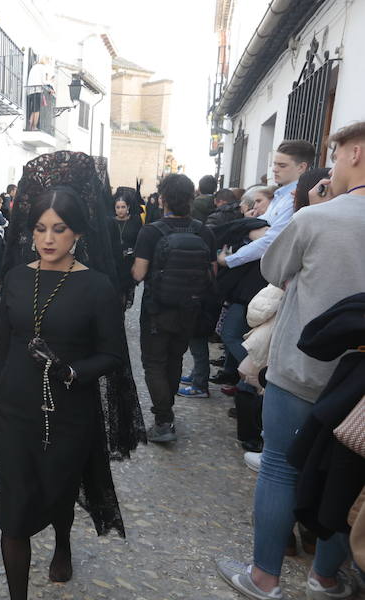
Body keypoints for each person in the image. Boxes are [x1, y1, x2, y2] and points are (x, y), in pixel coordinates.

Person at [0, 150, 144, 600]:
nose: (48, 239)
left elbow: (112, 356)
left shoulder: (97, 286)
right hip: (14, 409)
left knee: (59, 491)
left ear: (78, 232)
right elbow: (1, 348)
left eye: (59, 229)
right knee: (13, 513)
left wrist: (70, 369)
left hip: (70, 412)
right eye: (40, 228)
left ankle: (63, 541)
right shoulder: (13, 278)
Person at [216, 121, 365, 600]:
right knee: (350, 474)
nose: (333, 165)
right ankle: (325, 578)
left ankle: (265, 579)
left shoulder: (318, 217)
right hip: (360, 381)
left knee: (280, 466)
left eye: (337, 155)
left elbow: (274, 271)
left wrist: (313, 211)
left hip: (305, 368)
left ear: (356, 155)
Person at [213, 140, 315, 391]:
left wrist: (230, 259)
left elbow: (270, 240)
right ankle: (250, 387)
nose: (275, 170)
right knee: (248, 336)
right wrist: (256, 232)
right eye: (274, 164)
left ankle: (257, 380)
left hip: (266, 278)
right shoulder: (280, 195)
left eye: (282, 165)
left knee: (238, 335)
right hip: (258, 276)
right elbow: (260, 233)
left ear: (302, 167)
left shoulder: (292, 200)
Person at [132, 174, 216, 443]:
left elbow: (138, 273)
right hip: (190, 309)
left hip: (157, 309)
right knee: (175, 358)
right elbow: (211, 272)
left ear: (163, 198)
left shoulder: (151, 231)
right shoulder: (204, 232)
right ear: (191, 199)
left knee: (154, 362)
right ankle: (166, 414)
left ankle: (163, 420)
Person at [110, 192, 141, 310]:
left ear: (128, 207)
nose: (120, 210)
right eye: (117, 207)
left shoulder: (135, 221)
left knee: (125, 292)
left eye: (123, 207)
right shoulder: (110, 222)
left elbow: (139, 240)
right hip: (115, 262)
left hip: (129, 262)